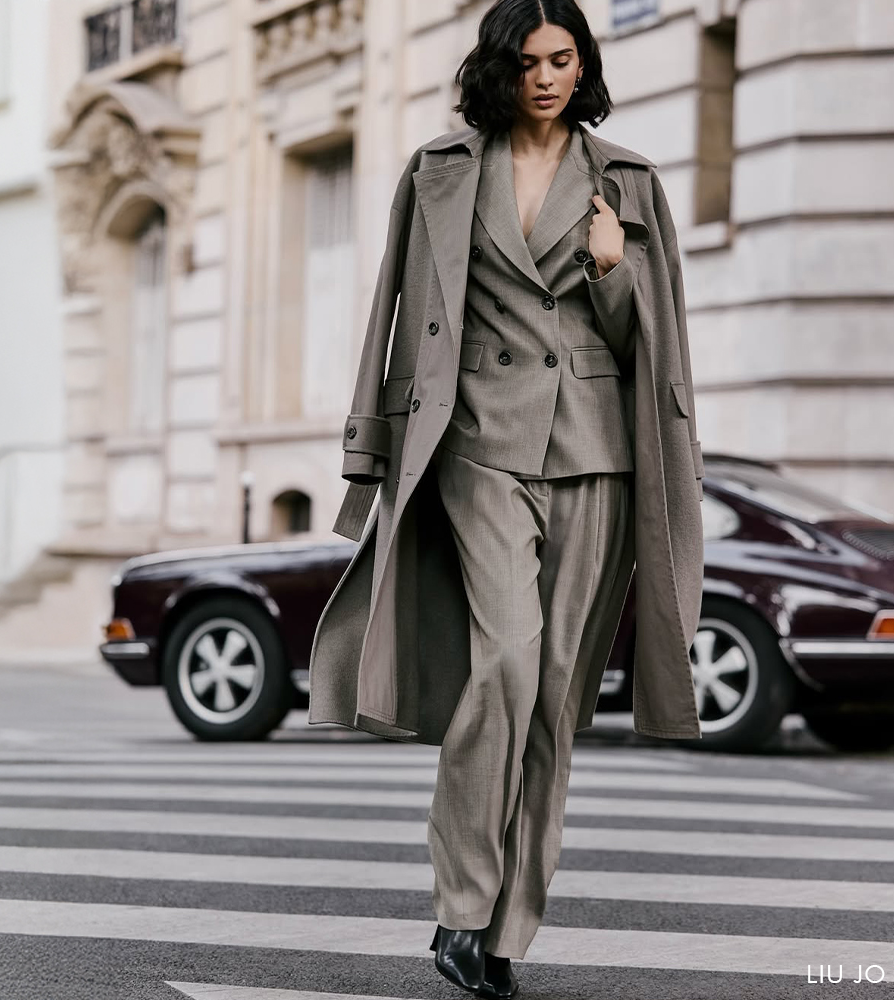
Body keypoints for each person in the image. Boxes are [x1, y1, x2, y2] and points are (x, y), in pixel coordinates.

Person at [307, 1, 703, 997]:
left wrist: (613, 267)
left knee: (556, 699)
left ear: (584, 64)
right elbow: (393, 311)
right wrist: (369, 443)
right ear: (499, 68)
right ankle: (461, 901)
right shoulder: (440, 170)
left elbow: (653, 348)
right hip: (476, 442)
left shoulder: (628, 182)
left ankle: (502, 935)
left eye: (563, 58)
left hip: (592, 451)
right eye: (528, 61)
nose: (547, 76)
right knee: (506, 666)